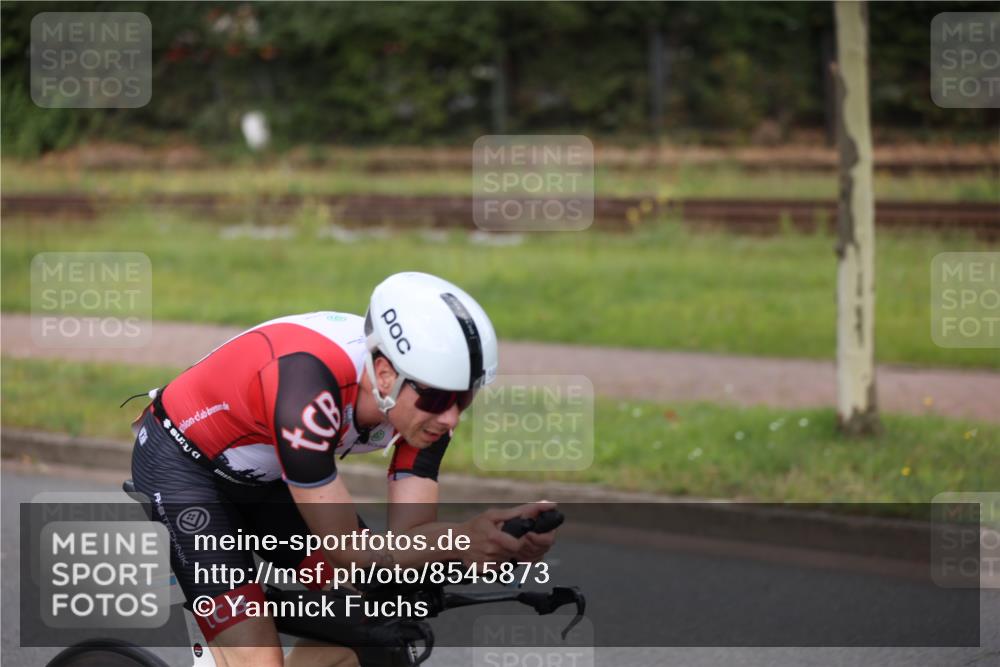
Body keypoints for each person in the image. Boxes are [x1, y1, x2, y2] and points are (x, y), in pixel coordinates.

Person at [129, 272, 557, 667]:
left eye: (464, 400)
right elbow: (347, 552)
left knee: (378, 610)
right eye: (439, 399)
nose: (450, 419)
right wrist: (461, 541)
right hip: (184, 471)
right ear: (386, 375)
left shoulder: (422, 408)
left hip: (268, 477)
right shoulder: (307, 386)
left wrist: (493, 547)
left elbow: (408, 544)